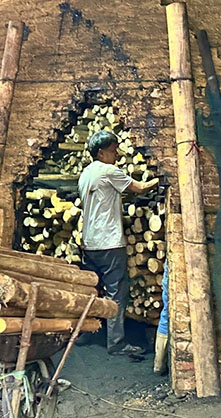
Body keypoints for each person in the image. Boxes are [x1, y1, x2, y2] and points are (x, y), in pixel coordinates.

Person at [78, 130, 159, 356]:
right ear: (101, 153)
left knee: (92, 290)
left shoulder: (85, 174)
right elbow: (140, 188)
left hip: (89, 242)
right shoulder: (108, 171)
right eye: (113, 151)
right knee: (116, 293)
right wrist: (161, 179)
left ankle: (86, 332)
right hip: (110, 243)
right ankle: (116, 343)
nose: (117, 155)